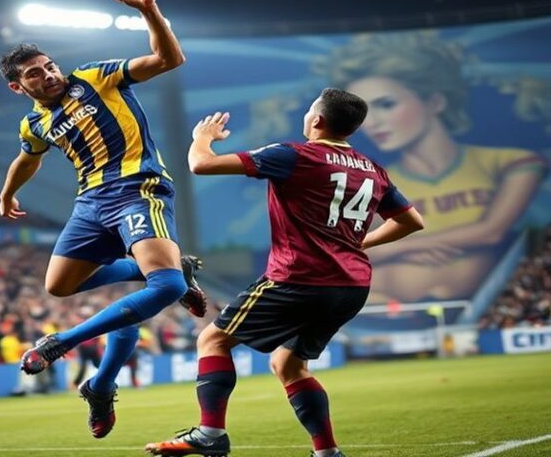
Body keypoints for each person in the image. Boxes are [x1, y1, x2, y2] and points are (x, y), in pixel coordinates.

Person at [145, 89, 425, 457]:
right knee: (289, 364)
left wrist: (202, 138)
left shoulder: (294, 155)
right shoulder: (373, 170)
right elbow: (411, 221)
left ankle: (211, 433)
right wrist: (359, 244)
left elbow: (202, 165)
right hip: (351, 285)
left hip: (298, 278)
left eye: (310, 109)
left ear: (317, 120)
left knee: (212, 341)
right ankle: (327, 452)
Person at [0, 0, 206, 439]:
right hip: (90, 203)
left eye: (49, 65)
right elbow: (26, 159)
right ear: (18, 87)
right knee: (59, 287)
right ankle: (101, 384)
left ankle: (61, 344)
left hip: (138, 187)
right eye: (34, 73)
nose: (48, 74)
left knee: (167, 288)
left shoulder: (94, 77)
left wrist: (148, 9)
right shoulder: (33, 124)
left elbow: (169, 59)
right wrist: (9, 192)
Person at [318, 32, 547, 301]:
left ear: (435, 101)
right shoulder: (371, 182)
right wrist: (405, 248)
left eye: (386, 105)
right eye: (362, 114)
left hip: (475, 312)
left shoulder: (512, 163)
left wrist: (403, 245)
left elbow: (491, 232)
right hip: (373, 316)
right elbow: (340, 252)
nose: (372, 123)